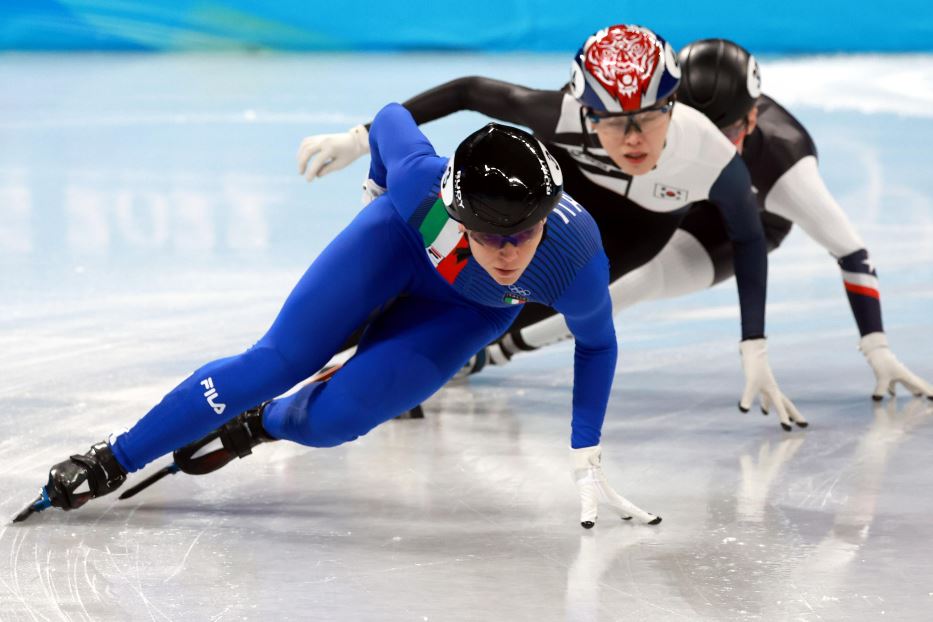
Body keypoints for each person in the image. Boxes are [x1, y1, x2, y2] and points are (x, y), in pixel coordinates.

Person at [15, 105, 659, 530]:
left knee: (335, 422)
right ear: (457, 215)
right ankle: (111, 457)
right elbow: (391, 120)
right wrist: (372, 179)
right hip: (394, 247)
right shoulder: (419, 186)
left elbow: (597, 345)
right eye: (493, 237)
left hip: (464, 313)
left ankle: (258, 426)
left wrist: (586, 447)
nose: (513, 252)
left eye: (528, 232)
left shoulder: (575, 260)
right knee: (274, 363)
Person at [296, 24, 809, 430]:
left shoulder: (713, 156)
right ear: (586, 113)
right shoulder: (562, 114)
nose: (631, 138)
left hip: (626, 237)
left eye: (647, 117)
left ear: (672, 108)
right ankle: (300, 366)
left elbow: (748, 238)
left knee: (499, 310)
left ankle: (371, 379)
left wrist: (754, 345)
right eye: (611, 120)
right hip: (554, 209)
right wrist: (360, 137)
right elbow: (469, 89)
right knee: (425, 280)